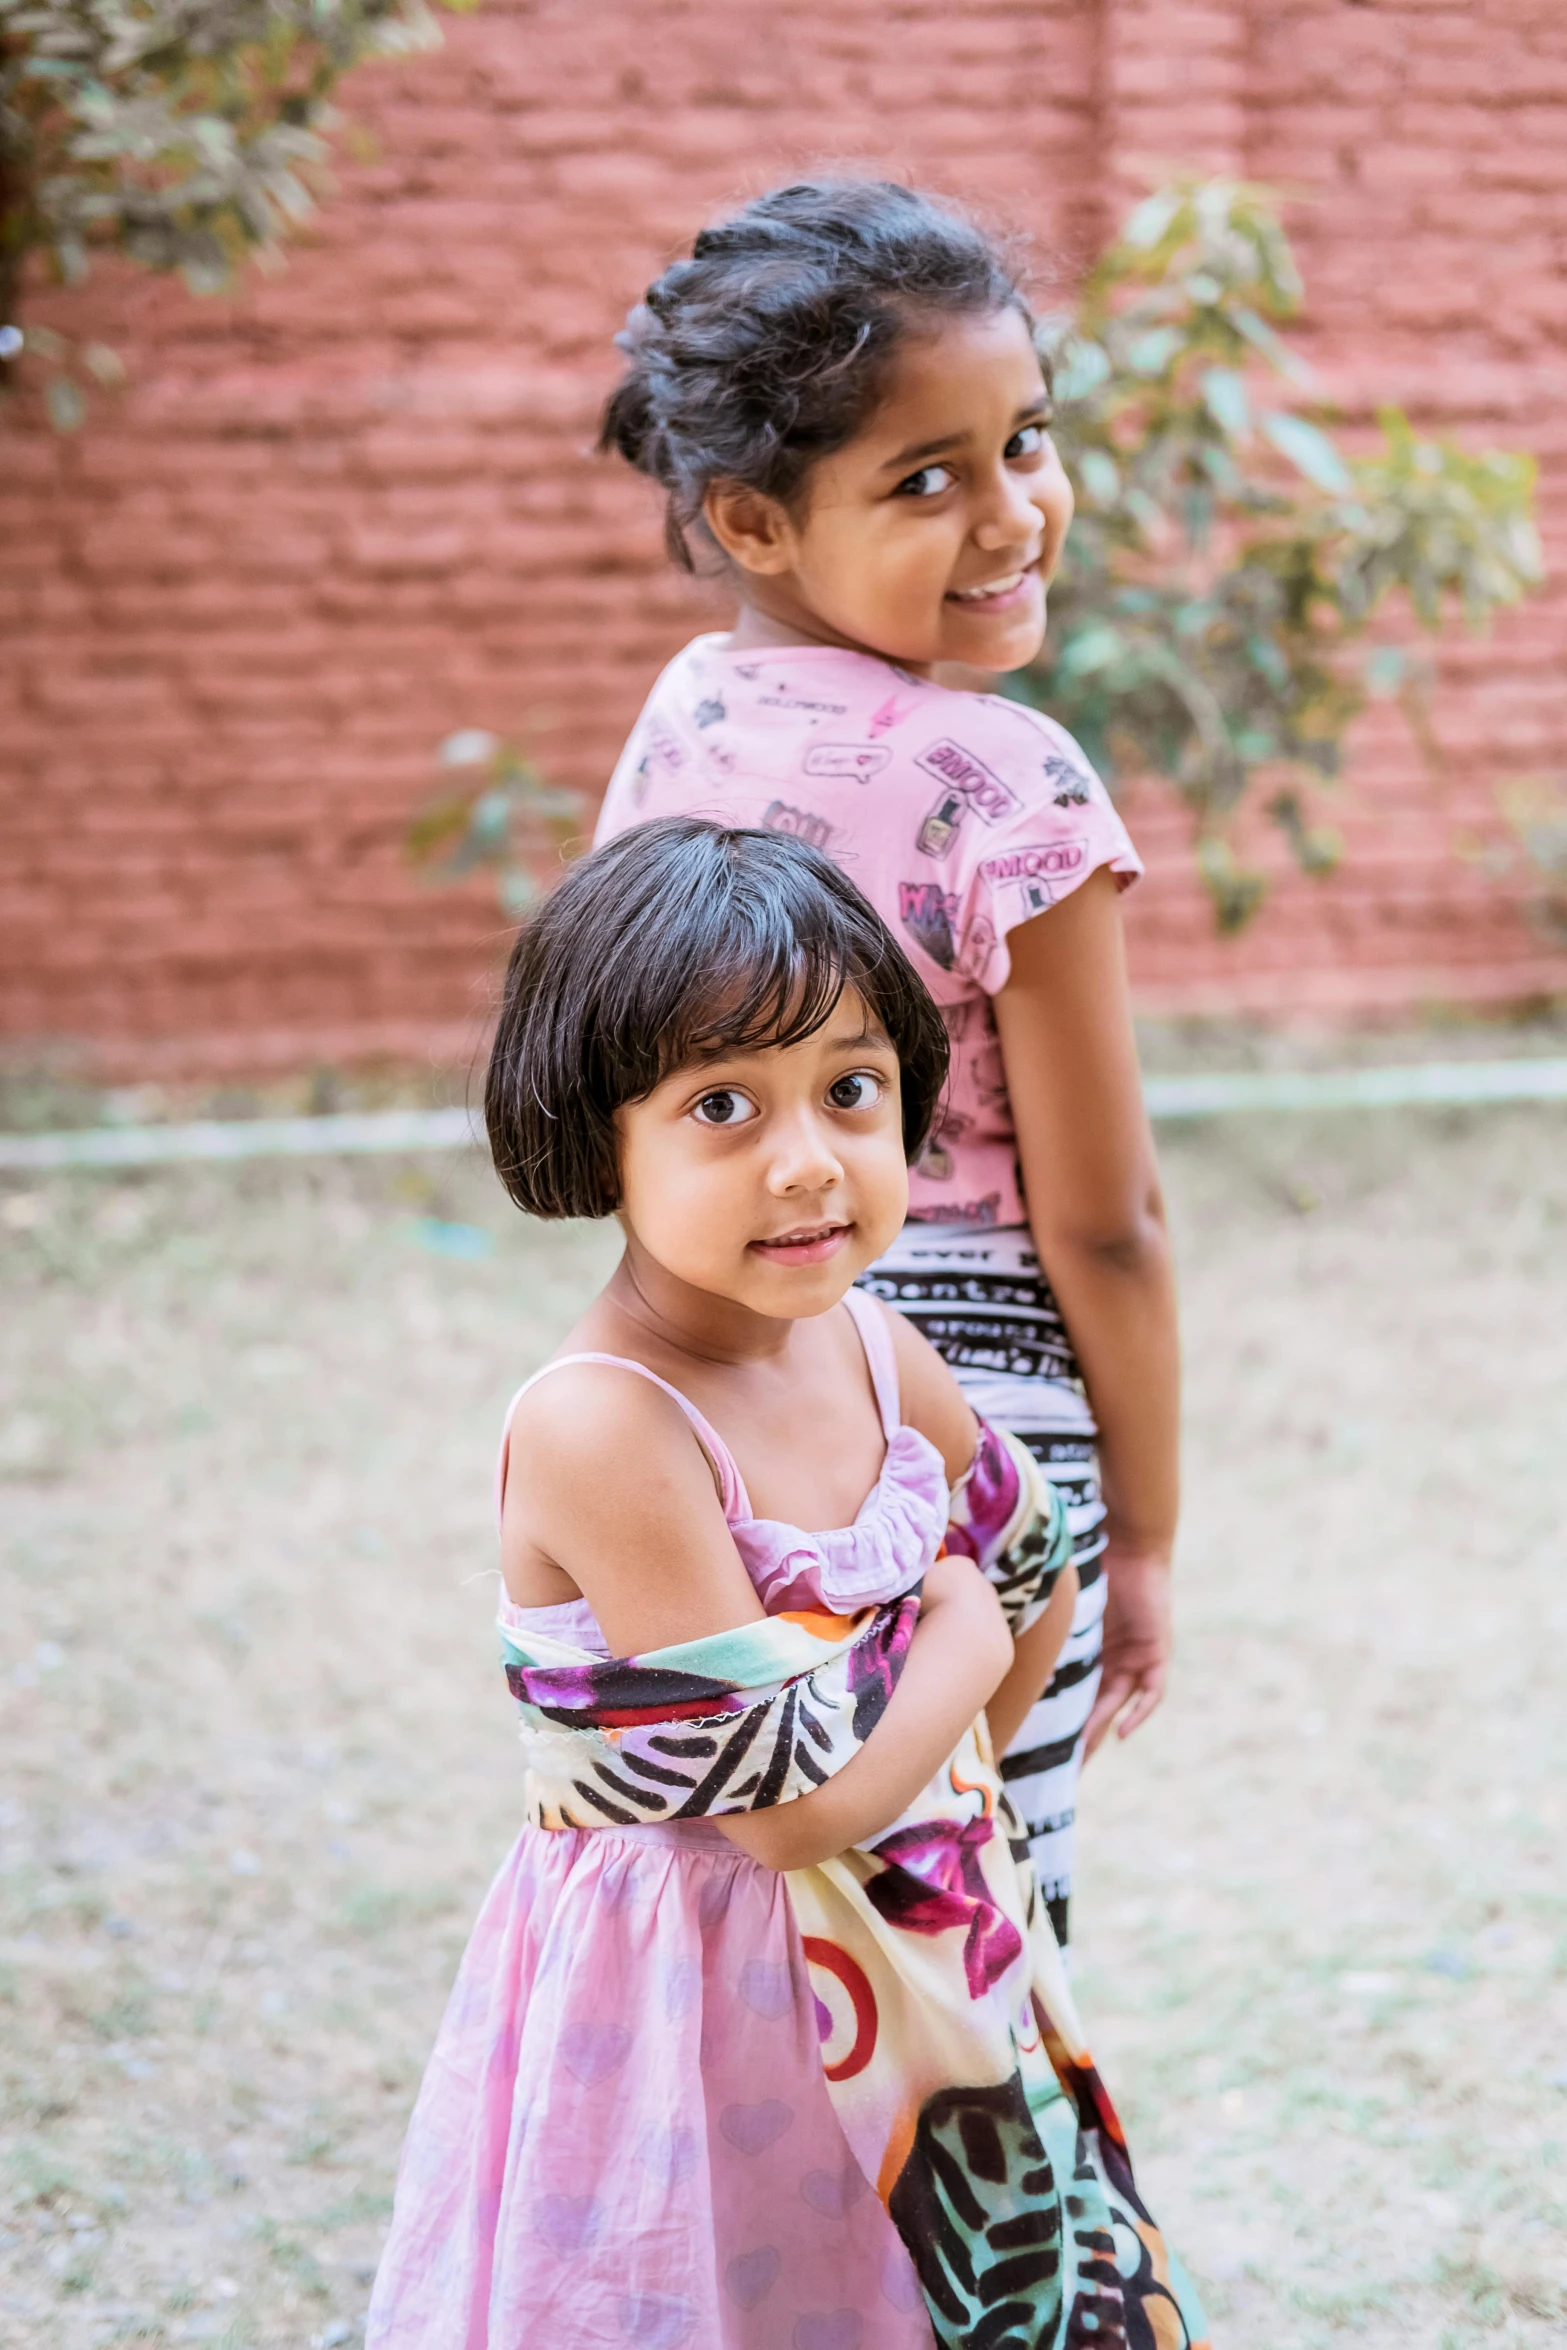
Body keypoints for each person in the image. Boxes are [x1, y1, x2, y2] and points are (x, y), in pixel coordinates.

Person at [365, 820, 1207, 2349]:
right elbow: (785, 1805)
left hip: (933, 1950)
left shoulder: (878, 1344)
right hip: (699, 2000)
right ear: (594, 1133)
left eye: (850, 1087)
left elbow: (1035, 1559)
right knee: (743, 2291)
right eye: (722, 1106)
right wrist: (945, 1641)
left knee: (948, 2292)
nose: (807, 1156)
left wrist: (959, 1737)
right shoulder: (607, 1421)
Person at [593, 180, 1179, 1950]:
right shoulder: (1007, 780)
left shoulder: (687, 709)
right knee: (966, 1948)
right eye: (925, 480)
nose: (1012, 516)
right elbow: (1106, 1221)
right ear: (754, 518)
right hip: (971, 1433)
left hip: (720, 1398)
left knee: (775, 1962)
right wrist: (1135, 1534)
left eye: (1025, 443)